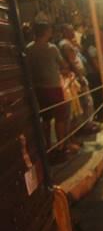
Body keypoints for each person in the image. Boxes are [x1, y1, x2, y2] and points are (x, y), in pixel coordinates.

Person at [25, 21, 77, 162]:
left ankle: (47, 146)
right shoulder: (52, 48)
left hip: (38, 89)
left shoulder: (28, 49)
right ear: (46, 32)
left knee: (45, 120)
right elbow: (63, 65)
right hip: (53, 87)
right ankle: (61, 146)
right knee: (60, 118)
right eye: (49, 30)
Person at [59, 24, 100, 133]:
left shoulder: (70, 43)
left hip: (78, 76)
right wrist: (80, 77)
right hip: (76, 78)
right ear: (64, 31)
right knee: (86, 101)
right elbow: (72, 62)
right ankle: (86, 125)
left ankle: (87, 123)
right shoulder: (65, 45)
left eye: (73, 30)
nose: (73, 33)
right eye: (70, 31)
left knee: (86, 101)